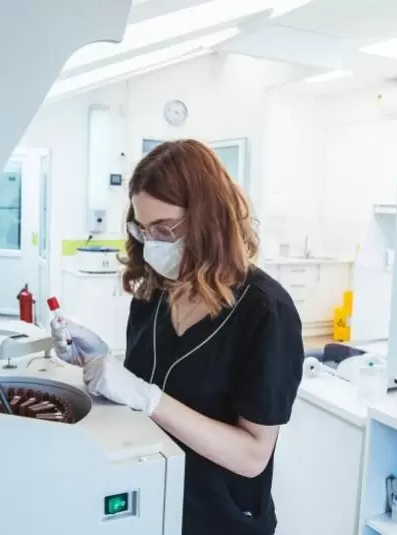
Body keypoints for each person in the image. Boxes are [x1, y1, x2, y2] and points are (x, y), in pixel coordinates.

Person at [51, 139, 304, 535]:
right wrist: (99, 361)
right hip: (150, 497)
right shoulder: (155, 292)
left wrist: (148, 397)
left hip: (219, 520)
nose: (152, 243)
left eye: (164, 229)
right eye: (143, 229)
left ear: (209, 218)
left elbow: (252, 455)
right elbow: (143, 385)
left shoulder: (265, 311)